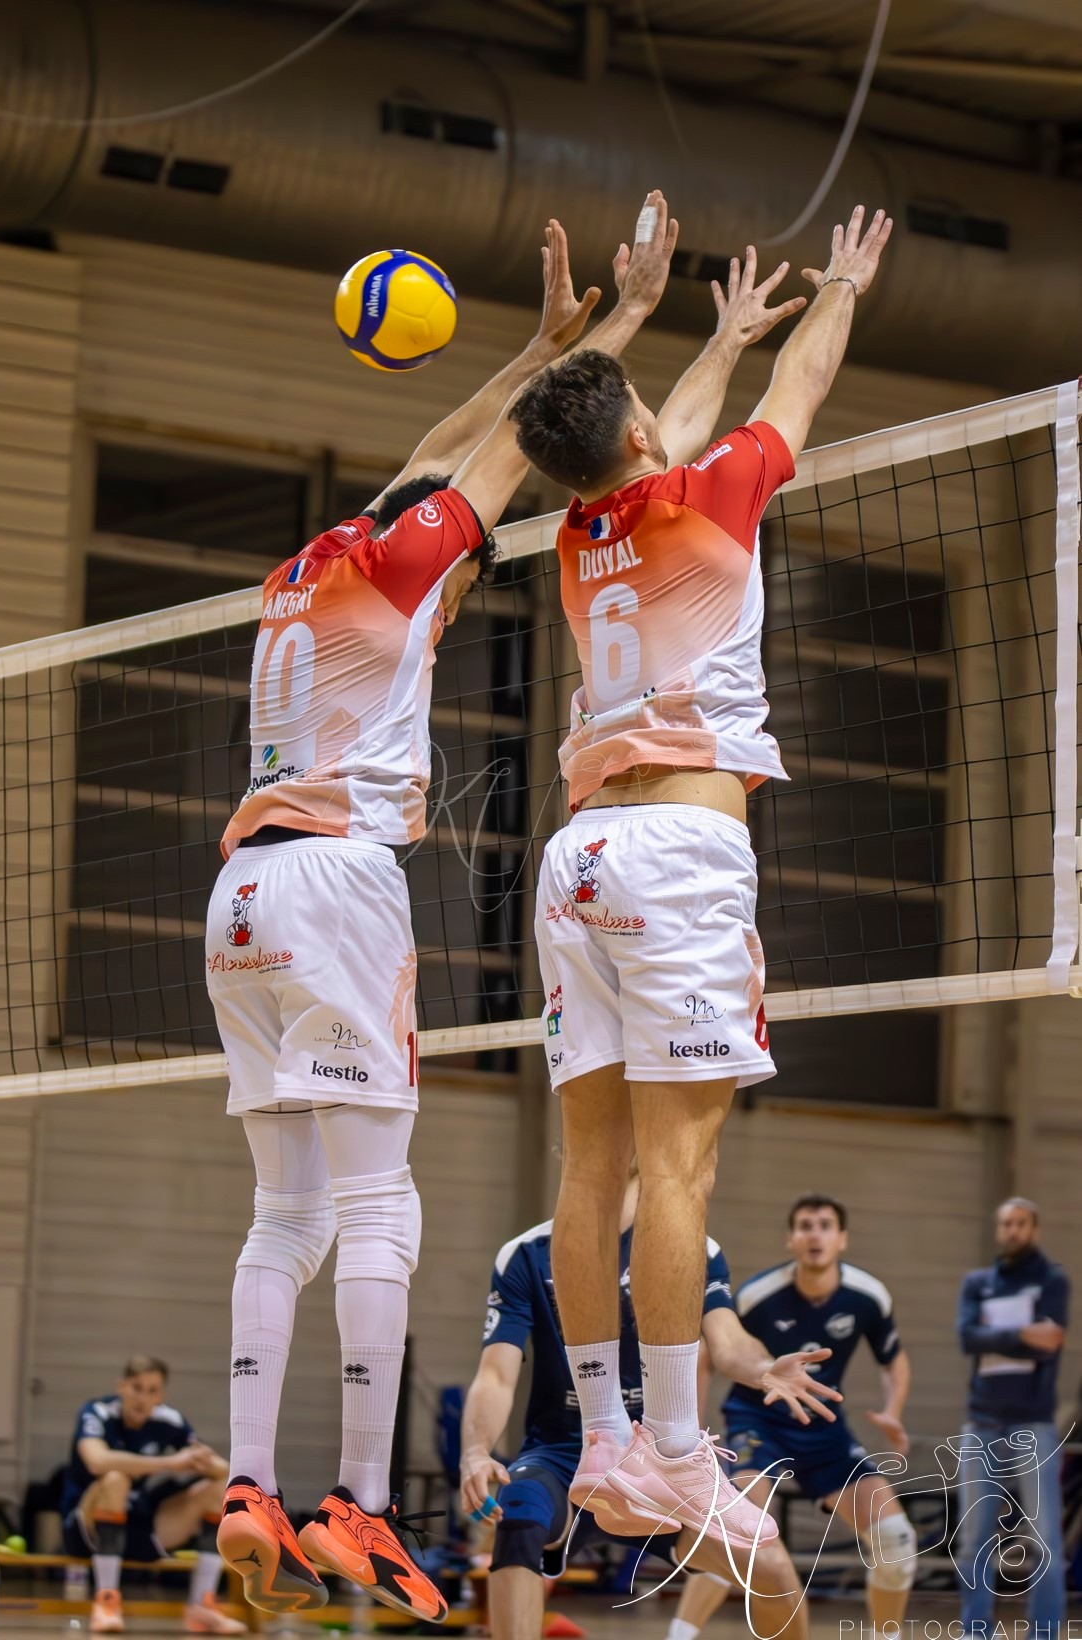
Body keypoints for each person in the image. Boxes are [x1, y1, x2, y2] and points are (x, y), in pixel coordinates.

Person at [205, 198, 681, 1625]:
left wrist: (542, 335)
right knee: (377, 1203)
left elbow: (432, 464)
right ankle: (354, 1493)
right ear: (448, 558)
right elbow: (522, 458)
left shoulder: (313, 567)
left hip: (237, 897)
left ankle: (246, 1481)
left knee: (281, 1216)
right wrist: (621, 325)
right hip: (337, 881)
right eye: (471, 571)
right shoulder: (417, 565)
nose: (468, 590)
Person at [508, 204, 893, 1542]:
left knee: (590, 1174)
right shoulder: (713, 487)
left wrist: (718, 333)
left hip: (580, 858)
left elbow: (652, 428)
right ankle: (676, 1453)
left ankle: (608, 1441)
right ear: (635, 436)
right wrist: (839, 288)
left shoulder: (579, 533)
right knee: (678, 1178)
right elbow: (808, 382)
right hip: (677, 851)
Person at [461, 1164, 841, 1640]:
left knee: (772, 1570)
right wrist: (476, 1449)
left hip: (660, 1465)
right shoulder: (526, 1254)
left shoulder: (692, 1248)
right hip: (566, 1455)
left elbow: (728, 1342)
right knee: (518, 1515)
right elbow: (496, 1373)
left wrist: (763, 1367)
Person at [673, 1193, 917, 1640]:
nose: (815, 1234)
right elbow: (709, 1353)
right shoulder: (759, 1296)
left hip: (823, 1429)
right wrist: (691, 1426)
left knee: (897, 1539)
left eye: (825, 1225)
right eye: (805, 1226)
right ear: (791, 1239)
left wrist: (892, 1411)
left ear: (842, 1239)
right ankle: (679, 1634)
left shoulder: (868, 1296)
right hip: (758, 1421)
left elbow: (894, 1361)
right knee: (737, 1536)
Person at [60, 1354, 244, 1637]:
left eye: (152, 1391)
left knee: (220, 1486)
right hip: (87, 1529)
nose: (142, 1398)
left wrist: (203, 1460)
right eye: (136, 1388)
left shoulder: (168, 1420)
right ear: (121, 1387)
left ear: (161, 1395)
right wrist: (170, 1463)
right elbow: (96, 1460)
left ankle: (202, 1604)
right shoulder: (96, 1412)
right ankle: (106, 1601)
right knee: (115, 1478)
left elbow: (220, 1468)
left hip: (137, 1525)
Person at [955, 1196, 1070, 1637]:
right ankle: (975, 1630)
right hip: (981, 1422)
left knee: (1045, 1542)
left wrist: (995, 1336)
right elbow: (968, 1337)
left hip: (1034, 1425)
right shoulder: (977, 1283)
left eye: (1020, 1224)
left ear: (1034, 1229)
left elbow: (1053, 1338)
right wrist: (1025, 1333)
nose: (1012, 1231)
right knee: (973, 1543)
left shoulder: (1052, 1280)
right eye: (1005, 1224)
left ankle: (1043, 1632)